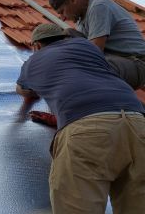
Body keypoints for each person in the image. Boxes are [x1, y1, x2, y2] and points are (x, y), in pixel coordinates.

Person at [16, 23, 145, 214]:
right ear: (64, 38)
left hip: (88, 128)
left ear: (36, 45)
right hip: (138, 121)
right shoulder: (88, 48)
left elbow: (24, 90)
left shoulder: (34, 61)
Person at [48, 0, 145, 89]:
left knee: (88, 67)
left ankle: (129, 105)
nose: (63, 18)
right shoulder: (80, 21)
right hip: (115, 60)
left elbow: (93, 53)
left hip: (137, 63)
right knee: (68, 34)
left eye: (62, 12)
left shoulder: (99, 7)